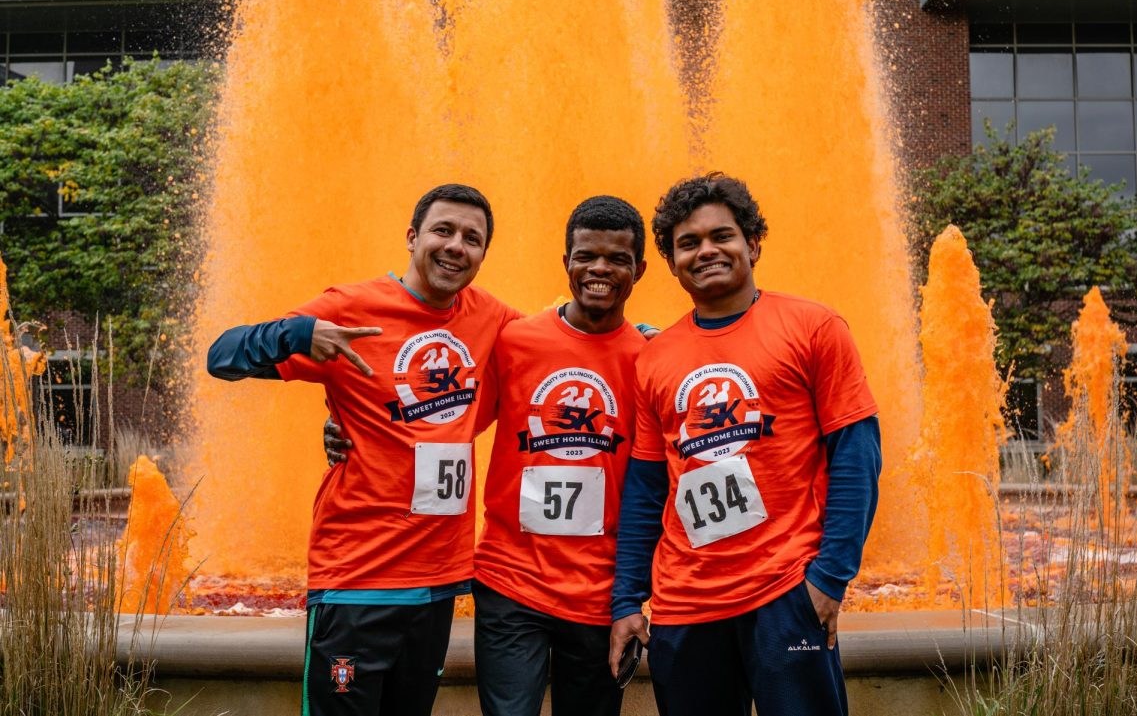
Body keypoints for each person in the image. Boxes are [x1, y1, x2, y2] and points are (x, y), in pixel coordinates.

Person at [327, 196, 650, 716]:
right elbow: (443, 418)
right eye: (586, 256)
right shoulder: (515, 341)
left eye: (616, 259)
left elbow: (656, 483)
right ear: (564, 261)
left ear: (639, 269)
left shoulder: (648, 360)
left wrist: (633, 593)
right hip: (509, 583)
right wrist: (349, 422)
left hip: (599, 591)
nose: (599, 269)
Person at [206, 184, 521, 716]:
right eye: (443, 231)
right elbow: (222, 357)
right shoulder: (349, 309)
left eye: (473, 238)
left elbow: (564, 342)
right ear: (412, 236)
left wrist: (641, 339)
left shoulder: (490, 317)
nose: (456, 247)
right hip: (357, 580)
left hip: (438, 581)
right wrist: (300, 333)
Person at [608, 172, 882, 716]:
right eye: (688, 243)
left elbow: (857, 455)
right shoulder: (654, 359)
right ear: (671, 262)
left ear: (752, 243)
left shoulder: (814, 326)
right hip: (684, 602)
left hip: (785, 593)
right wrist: (626, 599)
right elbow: (645, 488)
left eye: (721, 236)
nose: (705, 251)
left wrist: (829, 577)